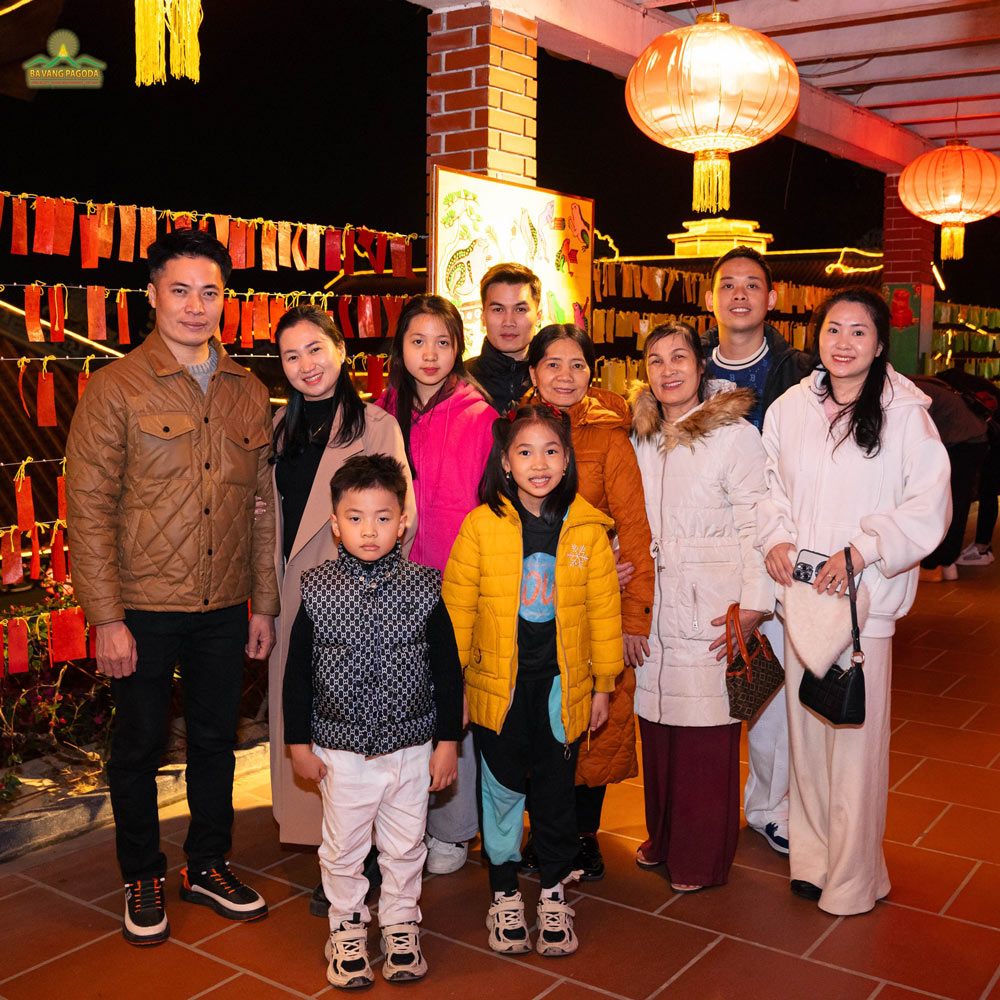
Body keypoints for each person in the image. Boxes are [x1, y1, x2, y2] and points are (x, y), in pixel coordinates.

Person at [65, 230, 278, 946]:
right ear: (151, 295)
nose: (196, 306)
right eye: (180, 290)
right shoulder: (115, 388)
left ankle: (208, 864)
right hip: (143, 608)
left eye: (210, 291)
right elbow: (88, 507)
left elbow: (261, 508)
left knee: (218, 741)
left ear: (226, 300)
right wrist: (106, 617)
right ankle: (141, 872)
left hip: (223, 606)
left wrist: (263, 602)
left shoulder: (248, 391)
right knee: (139, 747)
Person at [758, 287, 950, 915]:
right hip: (803, 597)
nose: (843, 343)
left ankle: (854, 876)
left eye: (858, 332)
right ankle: (812, 861)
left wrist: (865, 551)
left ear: (878, 342)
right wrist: (776, 537)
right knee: (807, 739)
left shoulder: (905, 414)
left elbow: (929, 505)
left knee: (855, 746)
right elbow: (769, 486)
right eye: (833, 329)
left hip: (864, 603)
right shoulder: (790, 407)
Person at [443, 404, 623, 957]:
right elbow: (457, 612)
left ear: (567, 460)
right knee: (499, 791)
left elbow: (603, 610)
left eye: (551, 451)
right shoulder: (481, 526)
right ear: (505, 461)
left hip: (559, 690)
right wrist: (457, 693)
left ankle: (551, 893)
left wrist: (602, 685)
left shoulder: (586, 529)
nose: (538, 463)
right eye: (525, 452)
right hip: (498, 689)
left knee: (554, 796)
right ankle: (502, 895)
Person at [283, 455, 463, 988]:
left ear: (402, 521)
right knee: (343, 849)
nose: (369, 529)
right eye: (356, 517)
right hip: (341, 751)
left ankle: (401, 923)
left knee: (407, 844)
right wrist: (298, 743)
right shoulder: (315, 589)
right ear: (336, 524)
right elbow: (297, 674)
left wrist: (447, 741)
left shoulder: (425, 586)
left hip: (411, 746)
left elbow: (448, 670)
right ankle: (346, 929)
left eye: (383, 517)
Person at [267, 304, 415, 915]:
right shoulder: (279, 429)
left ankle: (374, 862)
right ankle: (334, 861)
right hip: (290, 597)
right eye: (291, 356)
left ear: (341, 350)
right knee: (308, 722)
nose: (306, 365)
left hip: (359, 600)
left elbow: (399, 515)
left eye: (315, 349)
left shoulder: (376, 424)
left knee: (362, 731)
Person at [629, 322, 773, 892]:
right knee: (659, 730)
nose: (668, 370)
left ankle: (701, 858)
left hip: (712, 609)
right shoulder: (638, 437)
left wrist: (755, 605)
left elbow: (756, 524)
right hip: (653, 607)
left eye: (679, 357)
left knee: (707, 739)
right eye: (656, 359)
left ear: (701, 365)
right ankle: (664, 838)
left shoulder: (734, 435)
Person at [522, 323, 654, 880]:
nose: (566, 377)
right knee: (536, 715)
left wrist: (634, 615)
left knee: (598, 720)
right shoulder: (514, 430)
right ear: (533, 373)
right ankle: (542, 831)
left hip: (599, 600)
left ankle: (583, 835)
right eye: (553, 364)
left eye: (578, 365)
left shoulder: (611, 437)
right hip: (532, 602)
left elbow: (636, 529)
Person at [376, 294, 495, 876]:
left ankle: (453, 828)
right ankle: (403, 821)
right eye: (417, 341)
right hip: (397, 578)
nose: (430, 354)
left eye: (442, 342)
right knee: (406, 697)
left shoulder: (479, 416)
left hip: (457, 580)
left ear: (459, 348)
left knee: (457, 699)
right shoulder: (384, 408)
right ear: (400, 346)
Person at [703, 245, 813, 856]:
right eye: (728, 284)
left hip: (771, 540)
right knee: (705, 677)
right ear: (712, 297)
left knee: (769, 680)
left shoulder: (798, 371)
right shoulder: (685, 361)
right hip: (699, 544)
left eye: (752, 284)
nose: (739, 294)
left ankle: (768, 805)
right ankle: (704, 805)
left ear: (772, 299)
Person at [911, 375, 988, 581]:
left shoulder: (910, 391)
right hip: (974, 440)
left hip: (961, 444)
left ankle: (932, 566)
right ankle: (947, 564)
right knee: (956, 506)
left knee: (940, 506)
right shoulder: (924, 384)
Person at [466, 262, 541, 413]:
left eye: (520, 309)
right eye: (498, 309)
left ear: (538, 317)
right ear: (482, 317)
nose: (508, 322)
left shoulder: (554, 381)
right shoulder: (460, 381)